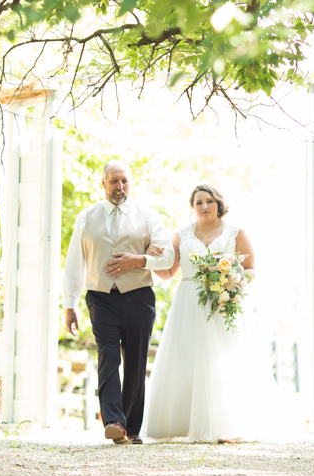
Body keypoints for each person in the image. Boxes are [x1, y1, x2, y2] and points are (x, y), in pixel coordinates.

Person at [142, 183, 277, 442]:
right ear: (192, 208)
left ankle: (228, 427)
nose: (204, 206)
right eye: (198, 203)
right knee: (187, 359)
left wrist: (233, 281)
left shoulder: (236, 232)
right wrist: (151, 259)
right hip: (189, 301)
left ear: (218, 204)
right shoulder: (180, 235)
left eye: (209, 202)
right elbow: (168, 272)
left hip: (224, 302)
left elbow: (251, 268)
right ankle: (183, 424)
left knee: (226, 361)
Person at [63, 160, 174, 444]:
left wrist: (138, 260)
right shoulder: (86, 217)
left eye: (124, 181)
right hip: (100, 296)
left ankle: (132, 428)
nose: (119, 187)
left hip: (139, 294)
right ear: (103, 183)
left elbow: (168, 257)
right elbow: (74, 263)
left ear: (130, 183)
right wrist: (70, 304)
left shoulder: (148, 215)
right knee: (108, 354)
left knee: (136, 360)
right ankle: (113, 420)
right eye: (114, 181)